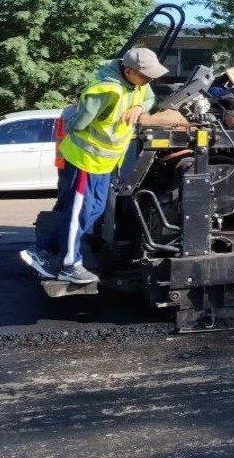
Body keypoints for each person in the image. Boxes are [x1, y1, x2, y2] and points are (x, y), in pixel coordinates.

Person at [21, 47, 168, 284]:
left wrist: (139, 107)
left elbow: (150, 97)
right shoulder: (106, 90)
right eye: (146, 76)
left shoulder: (138, 84)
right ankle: (70, 264)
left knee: (96, 209)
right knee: (79, 212)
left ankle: (46, 249)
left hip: (103, 163)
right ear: (129, 71)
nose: (149, 80)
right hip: (84, 161)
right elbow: (78, 123)